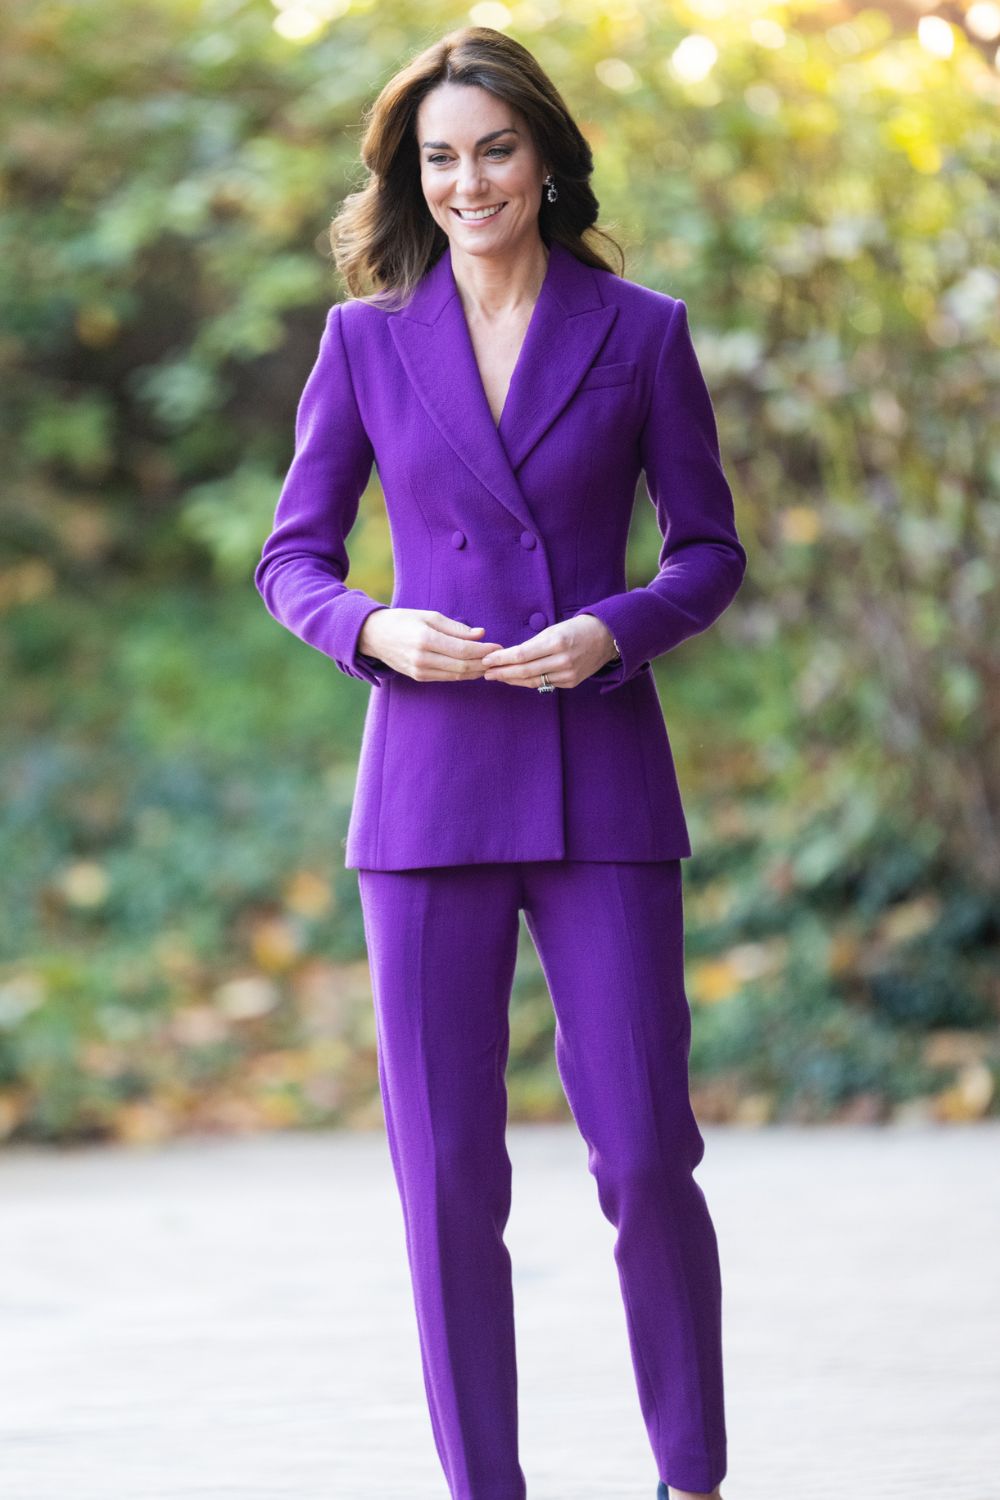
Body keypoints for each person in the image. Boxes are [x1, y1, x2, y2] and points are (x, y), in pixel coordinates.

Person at [254, 25, 746, 1500]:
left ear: (544, 156)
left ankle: (693, 1478)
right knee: (452, 1184)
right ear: (416, 177)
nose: (469, 181)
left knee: (650, 1153)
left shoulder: (643, 330)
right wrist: (371, 626)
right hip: (426, 792)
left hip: (601, 778)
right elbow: (291, 558)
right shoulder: (363, 341)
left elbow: (710, 550)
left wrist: (619, 631)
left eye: (496, 149)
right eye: (441, 158)